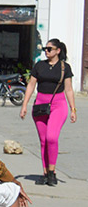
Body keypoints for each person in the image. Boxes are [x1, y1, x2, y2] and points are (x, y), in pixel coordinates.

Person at [20, 38, 77, 186]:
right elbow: (31, 85)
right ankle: (45, 173)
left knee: (52, 137)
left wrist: (73, 109)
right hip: (40, 104)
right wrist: (24, 105)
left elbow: (69, 89)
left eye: (49, 49)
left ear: (58, 51)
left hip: (58, 104)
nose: (46, 51)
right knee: (44, 140)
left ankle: (52, 172)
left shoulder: (65, 67)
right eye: (45, 48)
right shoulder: (39, 65)